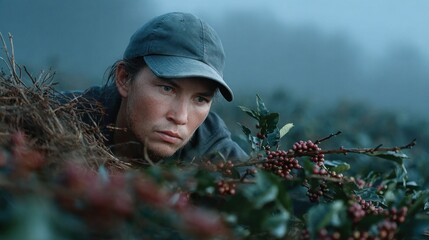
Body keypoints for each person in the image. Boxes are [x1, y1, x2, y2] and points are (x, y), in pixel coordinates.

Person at [63, 12, 248, 164]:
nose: (180, 117)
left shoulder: (216, 153)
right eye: (167, 89)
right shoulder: (60, 118)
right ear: (124, 78)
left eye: (200, 99)